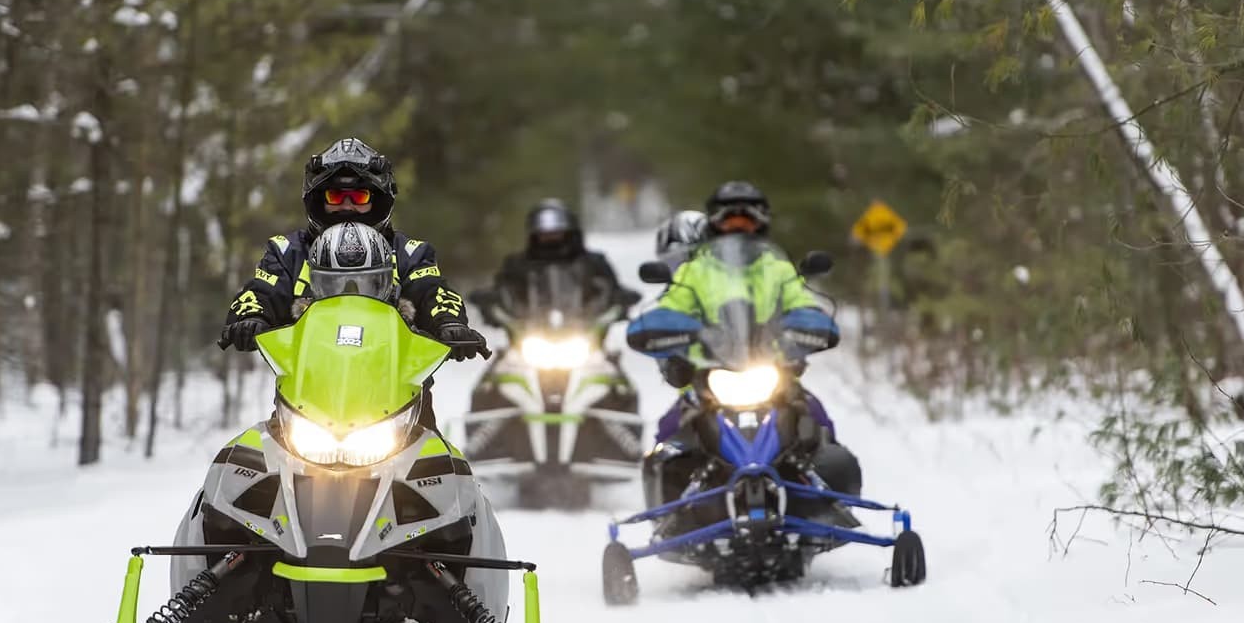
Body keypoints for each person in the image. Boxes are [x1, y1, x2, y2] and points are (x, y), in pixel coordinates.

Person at [639, 180, 859, 498]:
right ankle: (675, 514)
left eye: (748, 217)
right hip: (709, 375)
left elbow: (800, 302)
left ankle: (825, 503)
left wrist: (808, 330)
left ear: (762, 221)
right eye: (729, 218)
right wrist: (668, 349)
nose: (738, 225)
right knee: (671, 431)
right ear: (713, 223)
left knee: (817, 421)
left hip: (772, 371)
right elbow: (670, 309)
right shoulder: (695, 272)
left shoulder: (777, 269)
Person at [220, 138, 489, 361]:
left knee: (429, 430)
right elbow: (261, 291)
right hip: (305, 391)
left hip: (397, 392)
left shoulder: (411, 253)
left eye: (359, 197)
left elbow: (432, 290)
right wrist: (250, 317)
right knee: (259, 430)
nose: (347, 206)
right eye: (335, 196)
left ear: (379, 200)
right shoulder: (287, 251)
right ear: (318, 199)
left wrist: (449, 322)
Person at [483, 198, 636, 324]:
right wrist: (490, 303)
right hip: (529, 335)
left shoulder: (593, 263)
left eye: (557, 225)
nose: (549, 231)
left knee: (607, 361)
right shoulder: (516, 265)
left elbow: (612, 292)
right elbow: (502, 294)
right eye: (542, 225)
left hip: (584, 335)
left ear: (570, 228)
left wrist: (620, 301)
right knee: (504, 361)